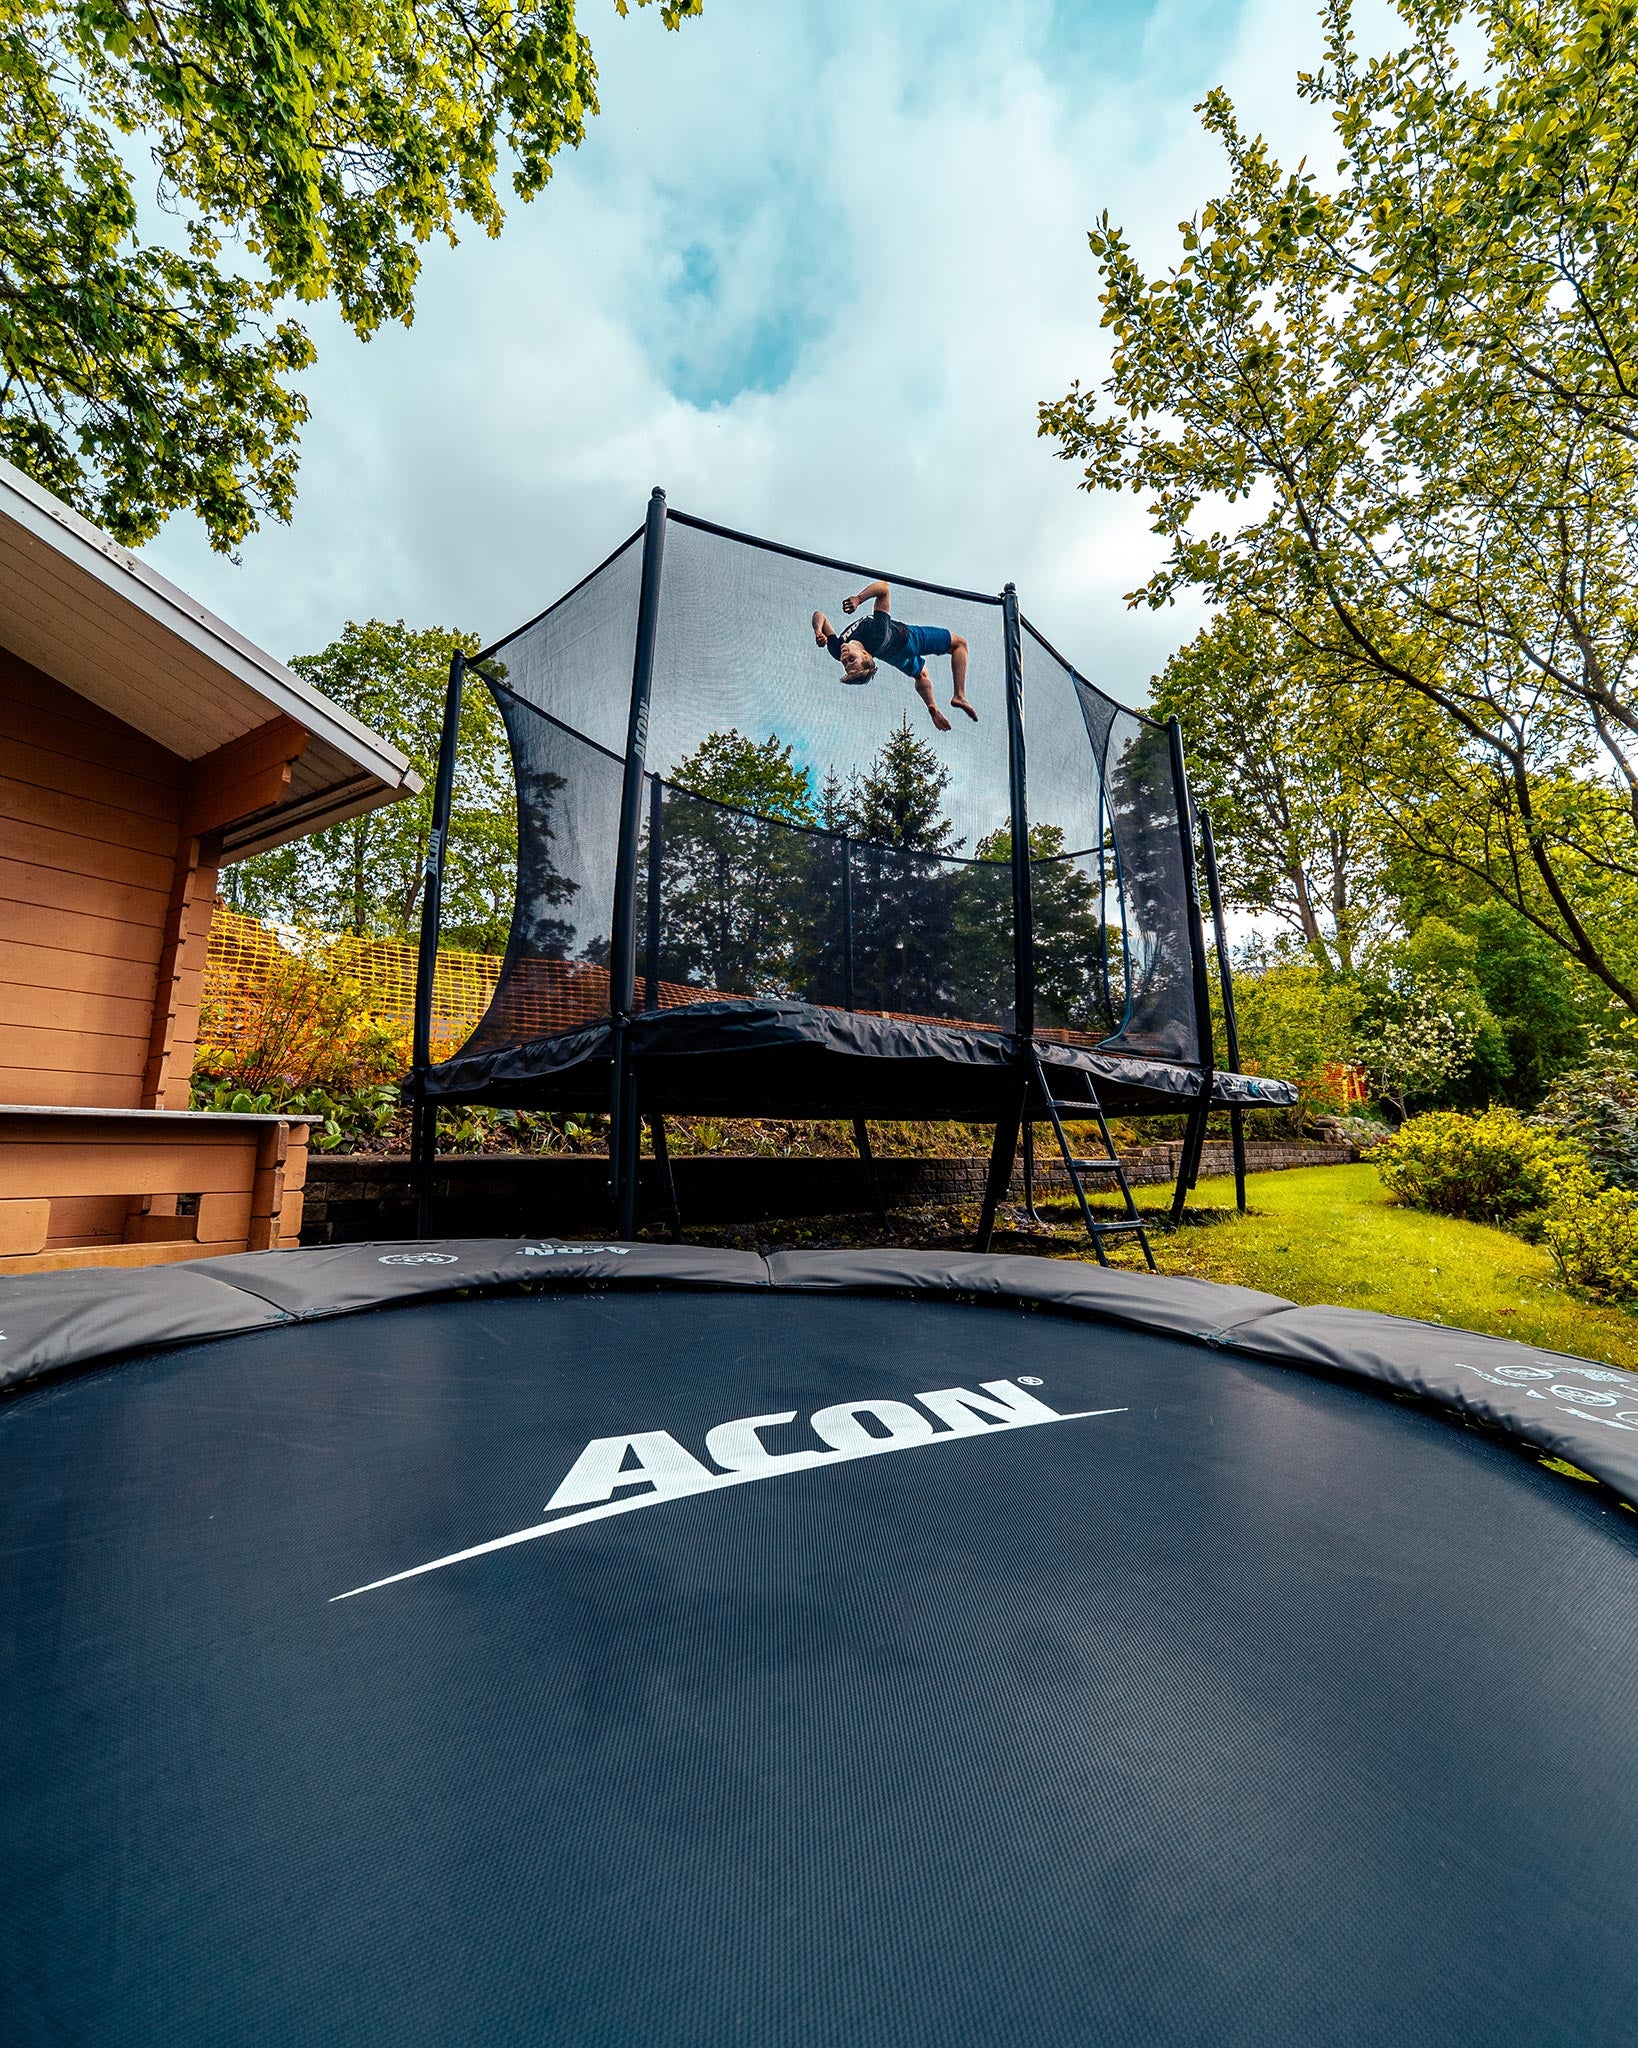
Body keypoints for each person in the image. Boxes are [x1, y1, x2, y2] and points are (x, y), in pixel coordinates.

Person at [812, 581, 975, 732]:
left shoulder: (837, 650)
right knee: (959, 644)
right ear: (865, 654)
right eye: (852, 660)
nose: (845, 657)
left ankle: (932, 707)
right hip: (909, 639)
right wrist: (859, 599)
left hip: (891, 655)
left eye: (845, 663)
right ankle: (959, 695)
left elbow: (820, 615)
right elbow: (884, 587)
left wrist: (818, 631)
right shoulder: (877, 632)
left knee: (921, 675)